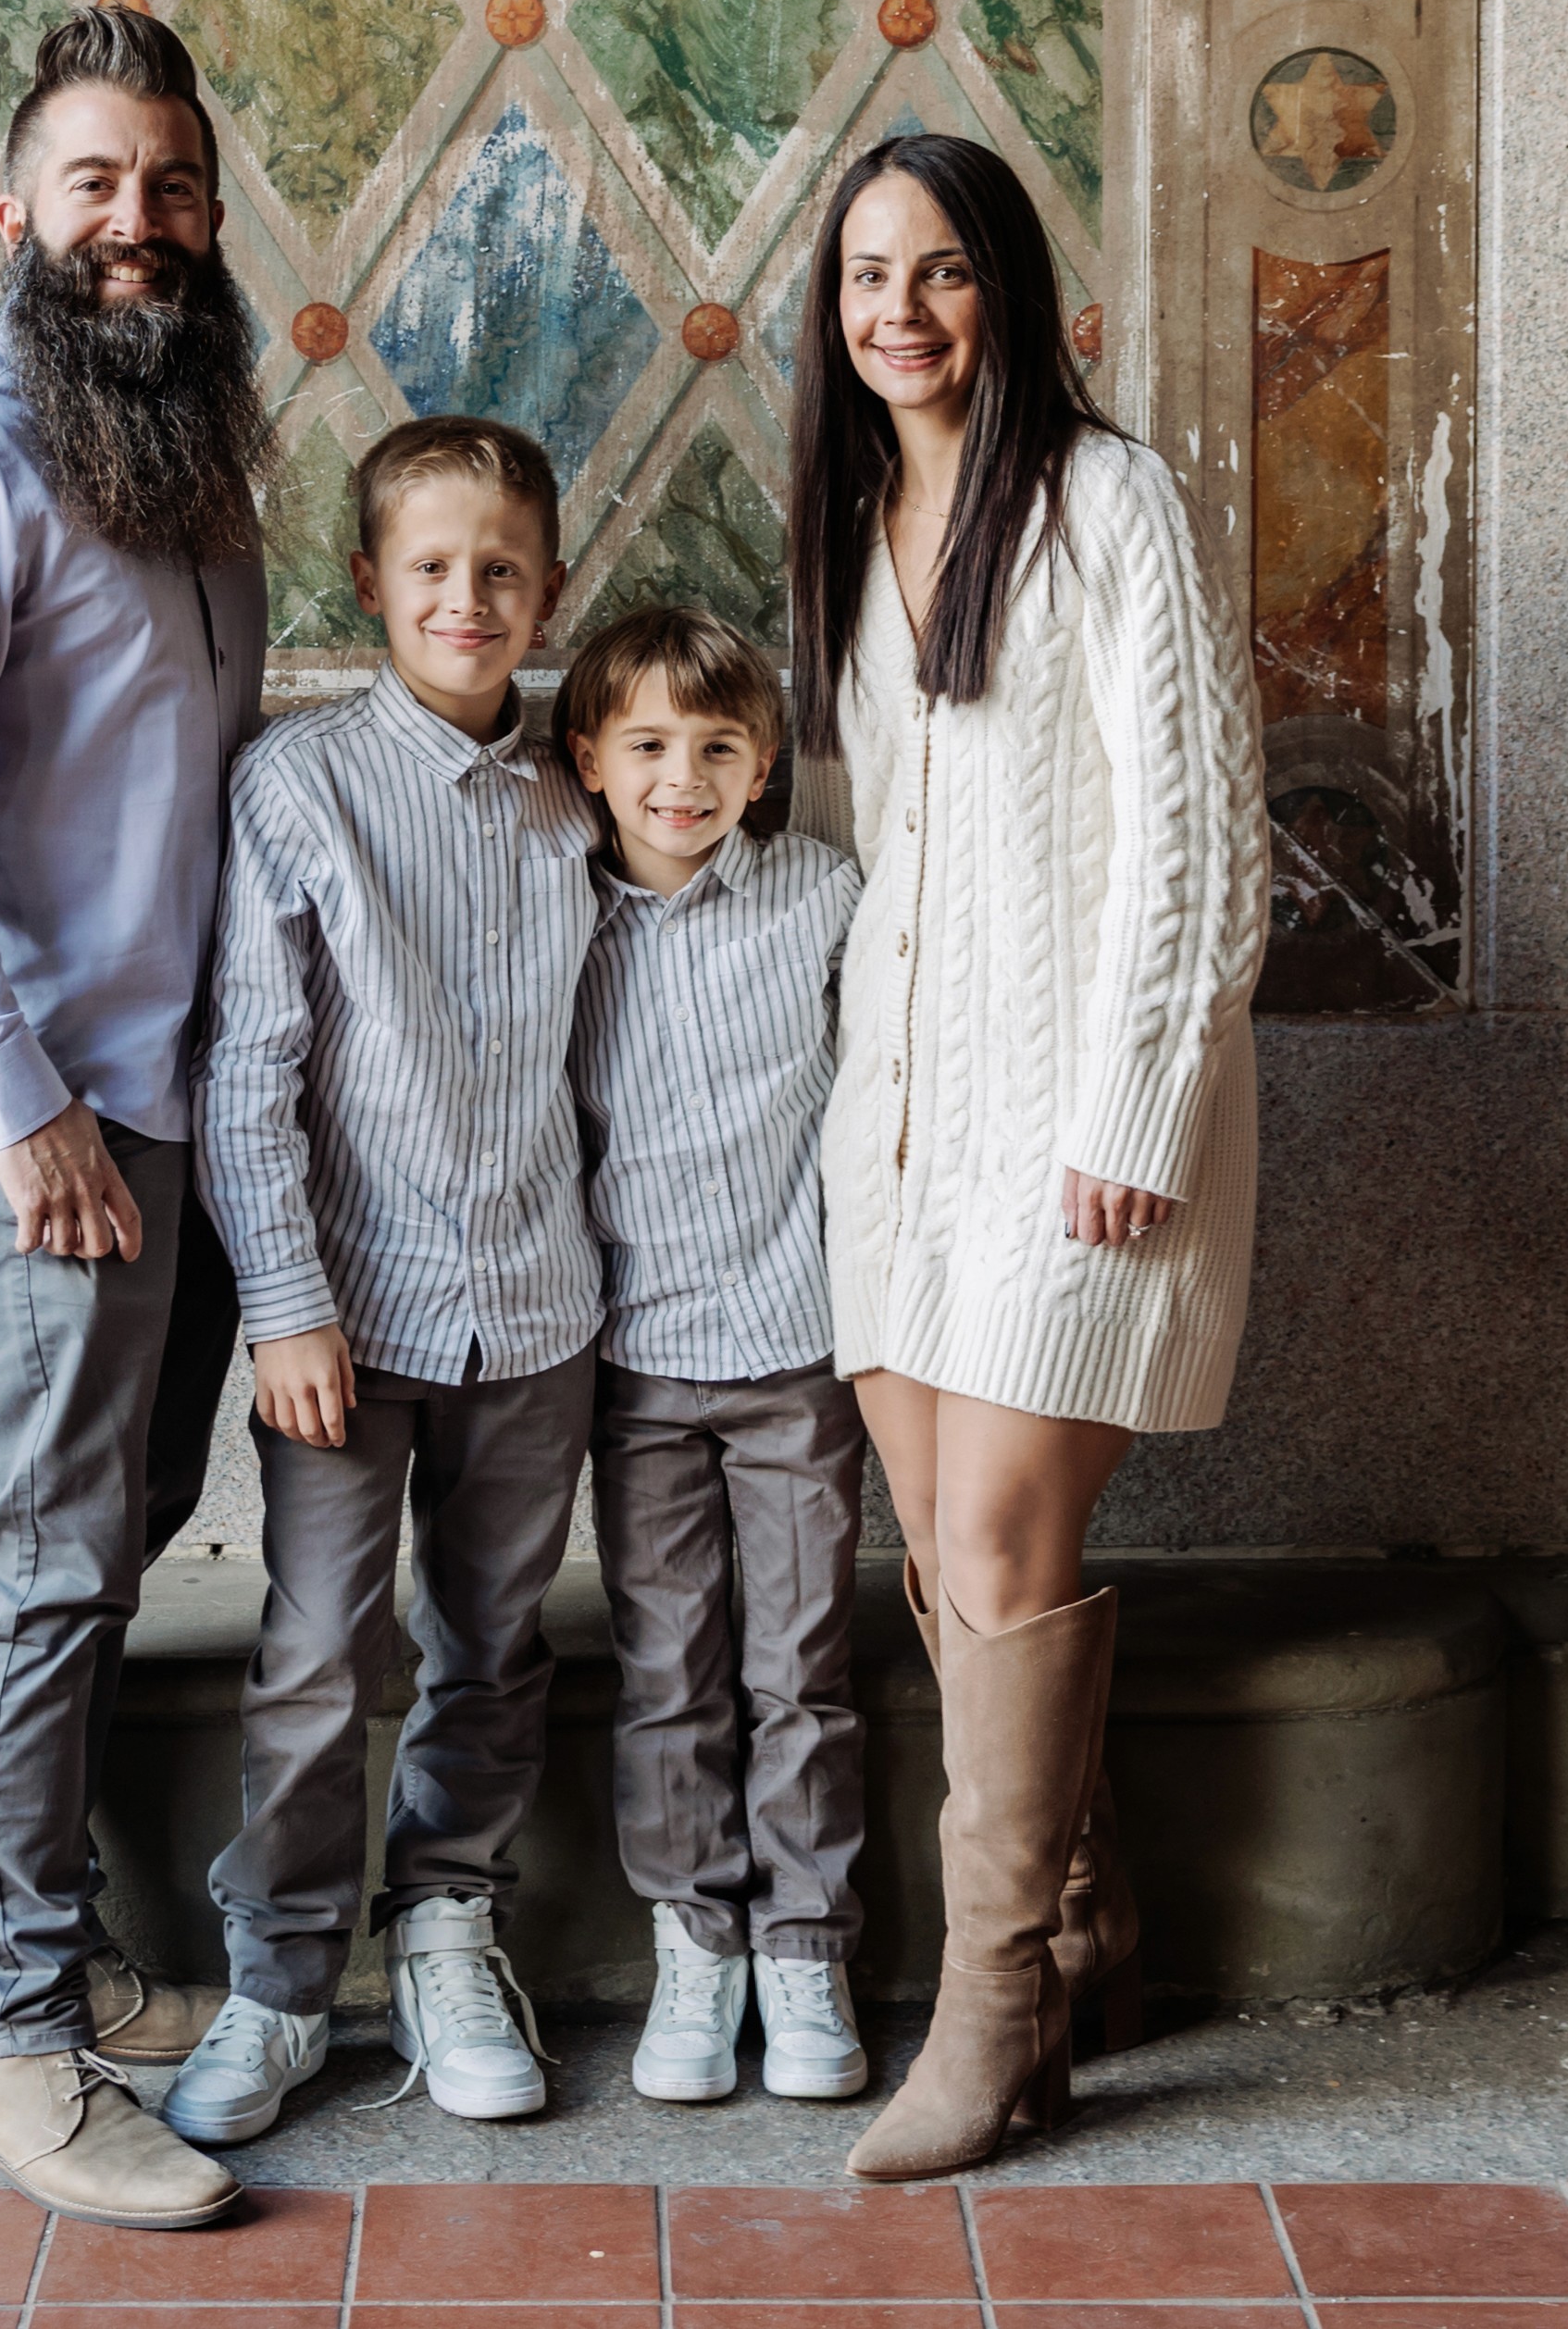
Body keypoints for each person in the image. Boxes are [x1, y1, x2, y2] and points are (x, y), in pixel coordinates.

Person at [0, 6, 269, 2229]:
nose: (135, 219)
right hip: (41, 1107)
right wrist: (24, 1110)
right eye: (94, 181)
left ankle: (33, 1967)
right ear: (13, 209)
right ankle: (3, 2054)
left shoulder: (174, 441)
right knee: (42, 1553)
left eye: (170, 184)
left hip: (167, 1092)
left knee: (104, 1528)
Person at [788, 133, 1269, 2183]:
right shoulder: (851, 520)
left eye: (941, 269)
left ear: (1009, 290)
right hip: (901, 1130)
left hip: (1079, 1127)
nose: (898, 309)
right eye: (864, 274)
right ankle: (1085, 1938)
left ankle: (986, 2015)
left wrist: (1135, 1106)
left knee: (996, 1537)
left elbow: (1199, 833)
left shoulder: (1106, 500)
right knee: (943, 1548)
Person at [160, 417, 605, 2148]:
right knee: (319, 1647)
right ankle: (280, 1978)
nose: (466, 597)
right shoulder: (301, 786)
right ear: (367, 583)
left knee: (493, 1637)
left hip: (540, 1308)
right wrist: (284, 1303)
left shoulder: (580, 794)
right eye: (431, 566)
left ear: (548, 588)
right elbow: (247, 1073)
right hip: (345, 1324)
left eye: (501, 568)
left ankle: (445, 1927)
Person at [559, 602, 875, 2110]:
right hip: (634, 1361)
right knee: (669, 1667)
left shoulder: (824, 895)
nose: (681, 777)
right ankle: (697, 1937)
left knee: (801, 1663)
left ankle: (806, 1942)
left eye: (716, 747)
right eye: (648, 745)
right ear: (590, 760)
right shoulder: (558, 915)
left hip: (796, 1348)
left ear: (764, 764)